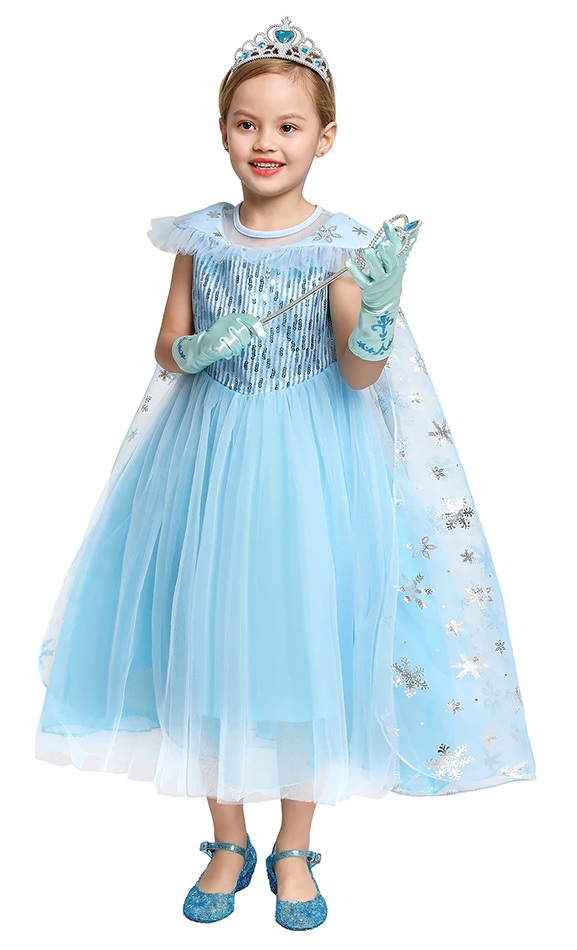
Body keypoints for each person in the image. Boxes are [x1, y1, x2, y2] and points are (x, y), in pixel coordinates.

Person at [34, 15, 536, 932]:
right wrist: (195, 348)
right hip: (210, 462)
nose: (266, 142)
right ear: (223, 131)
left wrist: (374, 314)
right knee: (208, 640)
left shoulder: (338, 246)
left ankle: (294, 842)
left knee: (306, 642)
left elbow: (358, 372)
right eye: (247, 124)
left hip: (310, 472)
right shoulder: (202, 238)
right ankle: (227, 837)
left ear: (324, 137)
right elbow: (166, 344)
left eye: (288, 126)